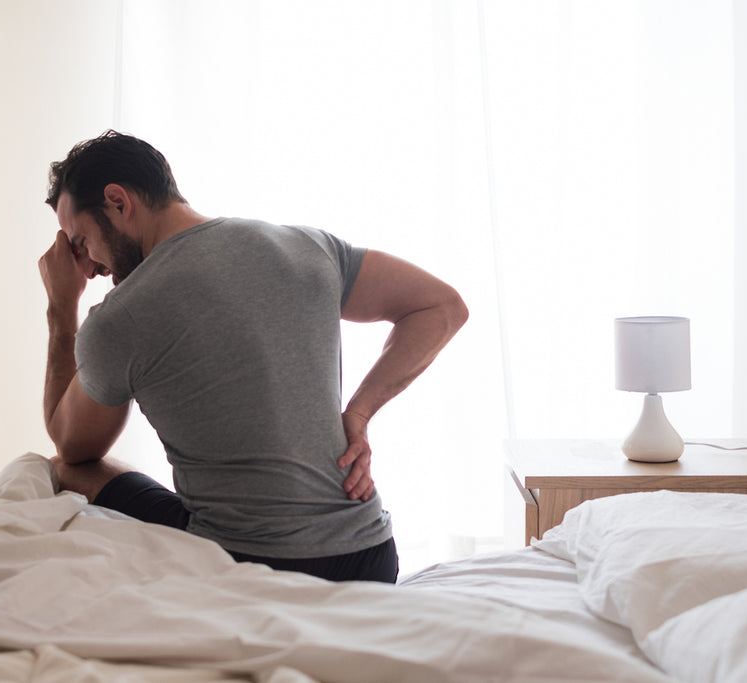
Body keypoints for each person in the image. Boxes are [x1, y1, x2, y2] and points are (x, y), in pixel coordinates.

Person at [38, 131, 467, 583]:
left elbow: (72, 445)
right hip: (370, 557)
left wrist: (61, 308)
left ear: (118, 202)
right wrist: (357, 414)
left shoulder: (119, 318)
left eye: (81, 241)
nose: (89, 266)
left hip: (250, 563)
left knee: (65, 470)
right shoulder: (306, 247)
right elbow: (441, 307)